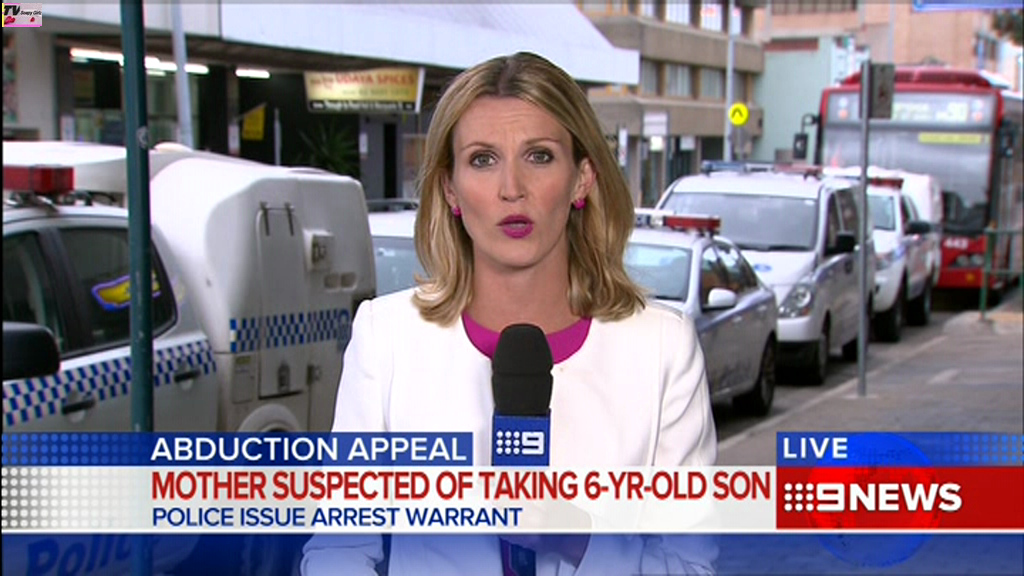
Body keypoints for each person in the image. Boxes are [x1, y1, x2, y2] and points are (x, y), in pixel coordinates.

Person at [301, 51, 717, 575]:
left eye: (539, 156)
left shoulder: (661, 346)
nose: (511, 188)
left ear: (582, 179)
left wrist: (579, 539)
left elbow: (689, 565)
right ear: (450, 189)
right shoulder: (387, 337)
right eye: (483, 159)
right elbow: (339, 548)